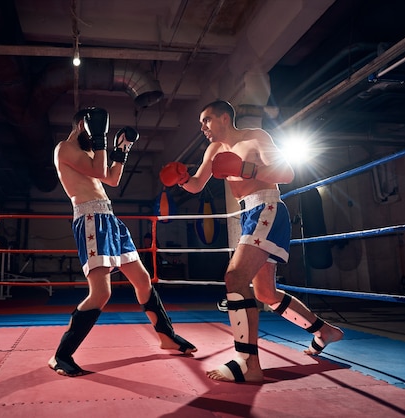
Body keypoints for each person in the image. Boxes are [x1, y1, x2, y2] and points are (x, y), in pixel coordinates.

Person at [160, 100, 343, 383]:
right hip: (249, 213)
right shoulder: (214, 150)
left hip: (267, 208)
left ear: (224, 118)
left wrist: (248, 170)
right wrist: (182, 179)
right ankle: (324, 331)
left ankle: (248, 362)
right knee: (266, 294)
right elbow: (197, 184)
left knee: (235, 277)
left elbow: (287, 173)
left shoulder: (256, 137)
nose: (202, 127)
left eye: (206, 120)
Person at [50, 107, 197, 377]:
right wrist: (102, 140)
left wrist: (122, 151)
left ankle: (166, 336)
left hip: (110, 219)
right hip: (90, 219)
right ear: (82, 124)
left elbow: (112, 179)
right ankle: (61, 355)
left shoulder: (91, 153)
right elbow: (98, 169)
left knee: (142, 279)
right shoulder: (64, 148)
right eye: (94, 127)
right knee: (101, 293)